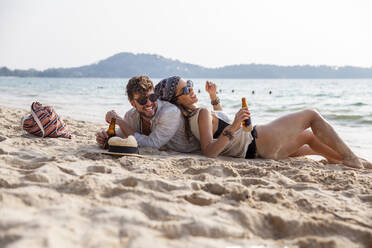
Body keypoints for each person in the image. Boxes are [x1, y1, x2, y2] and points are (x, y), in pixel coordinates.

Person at [155, 76, 372, 169]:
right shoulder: (201, 113)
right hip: (258, 140)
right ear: (175, 99)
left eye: (190, 85)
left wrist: (214, 98)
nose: (192, 90)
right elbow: (209, 152)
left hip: (256, 151)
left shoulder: (194, 117)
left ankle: (359, 164)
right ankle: (352, 157)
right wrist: (234, 126)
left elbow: (219, 123)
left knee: (310, 140)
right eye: (185, 89)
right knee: (311, 115)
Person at [96, 75, 200, 153]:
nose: (149, 103)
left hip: (199, 146)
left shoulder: (170, 112)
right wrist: (105, 137)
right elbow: (122, 135)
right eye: (142, 100)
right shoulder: (131, 115)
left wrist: (120, 122)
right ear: (133, 104)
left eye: (152, 97)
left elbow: (152, 145)